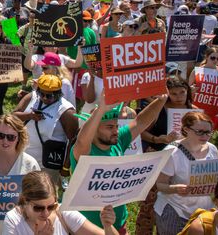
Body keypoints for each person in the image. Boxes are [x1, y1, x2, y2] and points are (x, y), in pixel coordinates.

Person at [70, 90, 168, 232]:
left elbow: (140, 122)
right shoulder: (83, 151)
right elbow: (82, 139)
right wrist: (101, 110)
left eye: (116, 126)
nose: (116, 130)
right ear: (94, 129)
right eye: (109, 127)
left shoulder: (118, 141)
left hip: (118, 224)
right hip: (88, 227)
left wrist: (161, 101)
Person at [154, 112, 218, 235]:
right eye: (200, 132)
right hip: (176, 211)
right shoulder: (172, 153)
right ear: (186, 129)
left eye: (208, 132)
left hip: (203, 213)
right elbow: (160, 185)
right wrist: (175, 188)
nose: (205, 136)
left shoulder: (212, 149)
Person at [3, 171, 118, 235]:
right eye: (38, 208)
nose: (46, 213)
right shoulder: (13, 219)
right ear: (25, 200)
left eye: (51, 206)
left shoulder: (63, 212)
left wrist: (108, 226)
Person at [12, 74, 77, 185]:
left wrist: (66, 167)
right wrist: (29, 116)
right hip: (24, 158)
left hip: (48, 164)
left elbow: (73, 140)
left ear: (58, 94)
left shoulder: (66, 111)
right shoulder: (31, 97)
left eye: (50, 96)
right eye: (42, 94)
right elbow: (13, 116)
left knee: (44, 195)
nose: (45, 98)